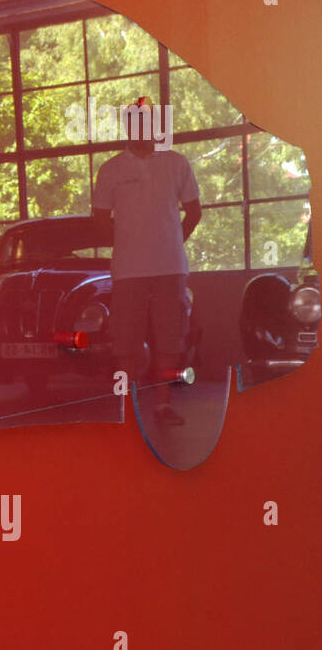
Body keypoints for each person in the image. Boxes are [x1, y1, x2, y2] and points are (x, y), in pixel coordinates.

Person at [91, 102, 201, 426]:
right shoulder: (110, 169)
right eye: (134, 122)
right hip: (128, 271)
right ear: (127, 127)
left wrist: (171, 243)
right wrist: (128, 244)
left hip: (170, 269)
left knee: (169, 340)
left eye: (146, 122)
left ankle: (163, 406)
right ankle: (128, 407)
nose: (140, 128)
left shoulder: (176, 163)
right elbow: (98, 218)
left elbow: (194, 212)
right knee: (126, 342)